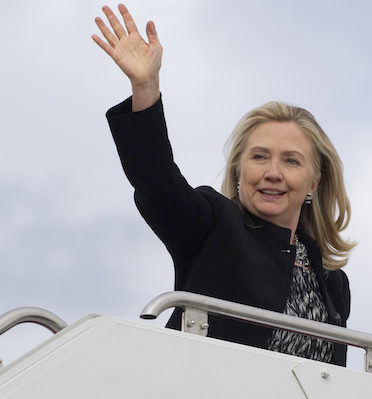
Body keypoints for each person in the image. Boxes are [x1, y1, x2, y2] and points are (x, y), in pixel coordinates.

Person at [92, 4, 355, 366]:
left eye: (291, 161)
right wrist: (145, 88)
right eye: (259, 157)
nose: (272, 172)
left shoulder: (334, 283)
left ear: (315, 180)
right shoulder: (213, 224)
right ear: (238, 171)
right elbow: (157, 183)